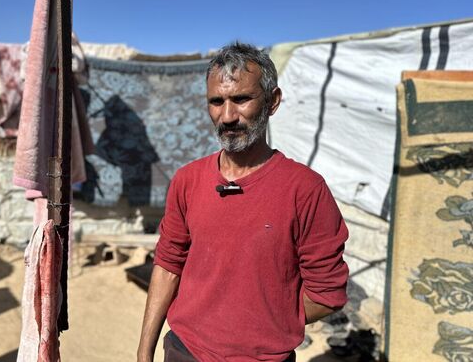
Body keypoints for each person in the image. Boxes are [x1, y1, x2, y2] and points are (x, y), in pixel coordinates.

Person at [137, 42, 349, 362]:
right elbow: (167, 266)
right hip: (184, 351)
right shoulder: (187, 180)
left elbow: (327, 294)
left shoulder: (305, 190)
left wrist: (264, 323)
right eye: (216, 101)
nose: (227, 116)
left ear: (272, 102)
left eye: (241, 99)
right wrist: (144, 353)